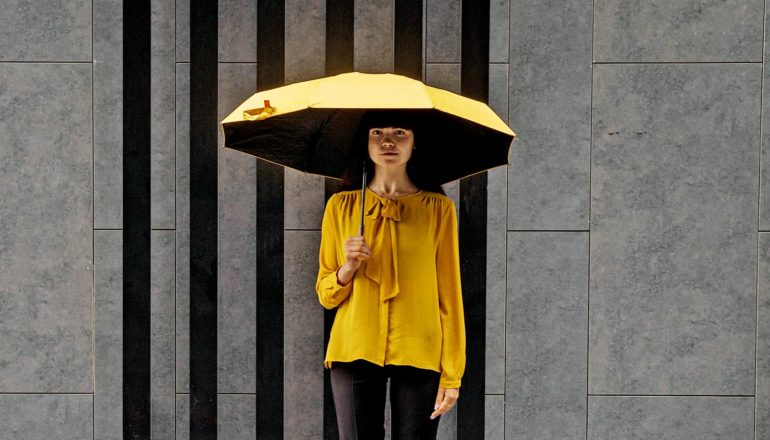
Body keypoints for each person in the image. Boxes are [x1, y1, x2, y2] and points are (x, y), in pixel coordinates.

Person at [315, 110, 466, 439]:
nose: (387, 141)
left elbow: (450, 296)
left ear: (414, 144)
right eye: (377, 132)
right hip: (354, 345)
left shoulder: (438, 210)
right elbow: (326, 294)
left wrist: (452, 375)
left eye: (400, 132)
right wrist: (348, 267)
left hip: (421, 348)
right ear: (366, 143)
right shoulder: (341, 207)